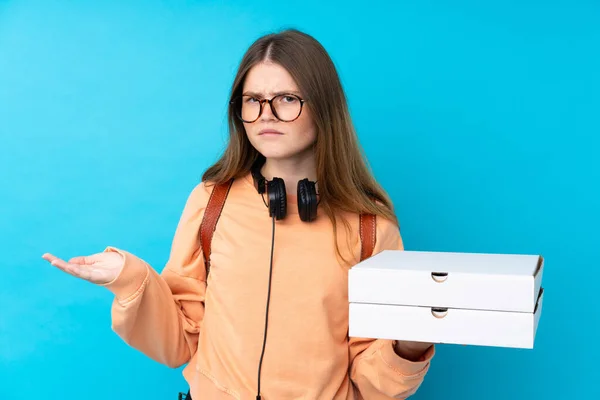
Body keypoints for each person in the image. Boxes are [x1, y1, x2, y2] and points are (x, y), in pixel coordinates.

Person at [42, 28, 434, 399]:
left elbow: (374, 384)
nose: (266, 114)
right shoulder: (211, 202)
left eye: (287, 99)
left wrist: (410, 345)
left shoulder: (370, 226)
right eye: (253, 100)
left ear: (324, 107)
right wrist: (129, 278)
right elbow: (181, 339)